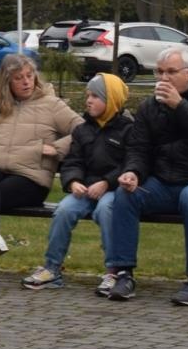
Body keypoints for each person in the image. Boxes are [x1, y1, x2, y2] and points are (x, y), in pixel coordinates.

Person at [105, 43, 188, 306]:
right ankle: (123, 274)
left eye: (171, 72)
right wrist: (132, 172)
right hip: (165, 183)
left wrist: (180, 106)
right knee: (126, 195)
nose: (164, 78)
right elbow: (139, 148)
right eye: (159, 72)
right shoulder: (149, 107)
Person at [0, 53, 78, 290]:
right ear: (6, 82)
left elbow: (83, 131)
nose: (26, 81)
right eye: (18, 78)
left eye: (29, 75)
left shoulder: (52, 105)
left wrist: (55, 149)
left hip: (30, 180)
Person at [22, 73, 131, 293]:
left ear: (111, 100)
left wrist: (107, 183)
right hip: (85, 189)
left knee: (106, 210)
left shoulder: (128, 129)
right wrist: (73, 182)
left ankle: (113, 271)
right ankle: (52, 268)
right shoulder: (82, 130)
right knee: (64, 209)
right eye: (87, 95)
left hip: (112, 190)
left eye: (95, 96)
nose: (88, 100)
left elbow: (130, 164)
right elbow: (73, 161)